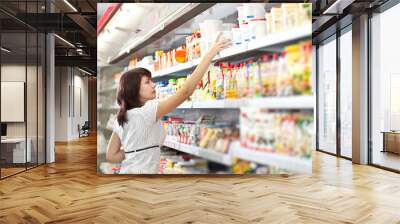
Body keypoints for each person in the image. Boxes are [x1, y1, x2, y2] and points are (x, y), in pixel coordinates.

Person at [106, 33, 232, 174]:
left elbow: (111, 155)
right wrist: (210, 54)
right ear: (134, 90)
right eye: (147, 82)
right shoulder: (147, 111)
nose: (153, 85)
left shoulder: (122, 116)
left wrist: (134, 153)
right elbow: (185, 92)